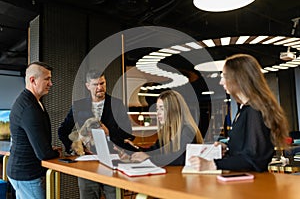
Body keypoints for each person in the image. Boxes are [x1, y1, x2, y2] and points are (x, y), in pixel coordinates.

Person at [189, 54, 289, 172]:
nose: (221, 82)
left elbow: (253, 159)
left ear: (239, 78)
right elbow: (247, 151)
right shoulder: (246, 109)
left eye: (224, 76)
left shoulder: (254, 110)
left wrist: (212, 165)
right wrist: (228, 148)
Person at [58, 69, 136, 199]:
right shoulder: (78, 106)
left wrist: (109, 132)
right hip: (87, 163)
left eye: (102, 83)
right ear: (88, 86)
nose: (100, 87)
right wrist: (72, 148)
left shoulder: (117, 104)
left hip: (112, 161)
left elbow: (128, 133)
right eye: (96, 84)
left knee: (114, 196)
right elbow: (62, 130)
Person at [7, 62, 62, 199]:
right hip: (26, 174)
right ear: (33, 80)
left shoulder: (32, 101)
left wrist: (48, 149)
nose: (51, 83)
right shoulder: (29, 108)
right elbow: (43, 154)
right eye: (47, 79)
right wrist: (55, 152)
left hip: (22, 172)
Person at [130, 90, 204, 166]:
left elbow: (180, 158)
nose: (158, 113)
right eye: (157, 109)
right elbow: (154, 151)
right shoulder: (167, 131)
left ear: (173, 110)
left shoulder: (187, 130)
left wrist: (149, 158)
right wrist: (132, 149)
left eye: (161, 109)